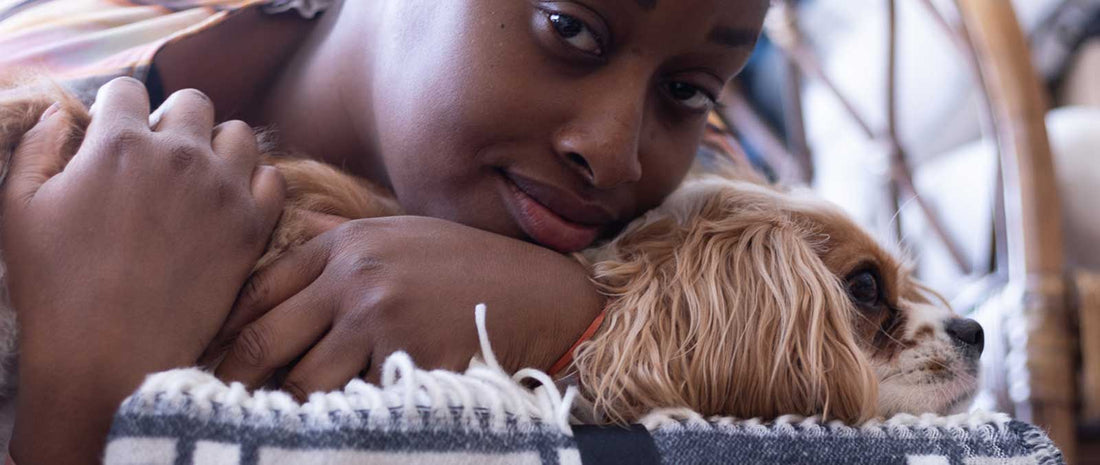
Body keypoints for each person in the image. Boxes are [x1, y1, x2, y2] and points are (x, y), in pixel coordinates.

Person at [0, 0, 770, 463]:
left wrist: (577, 307)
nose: (614, 151)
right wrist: (95, 391)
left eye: (687, 88)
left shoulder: (707, 205)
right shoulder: (40, 111)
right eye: (569, 27)